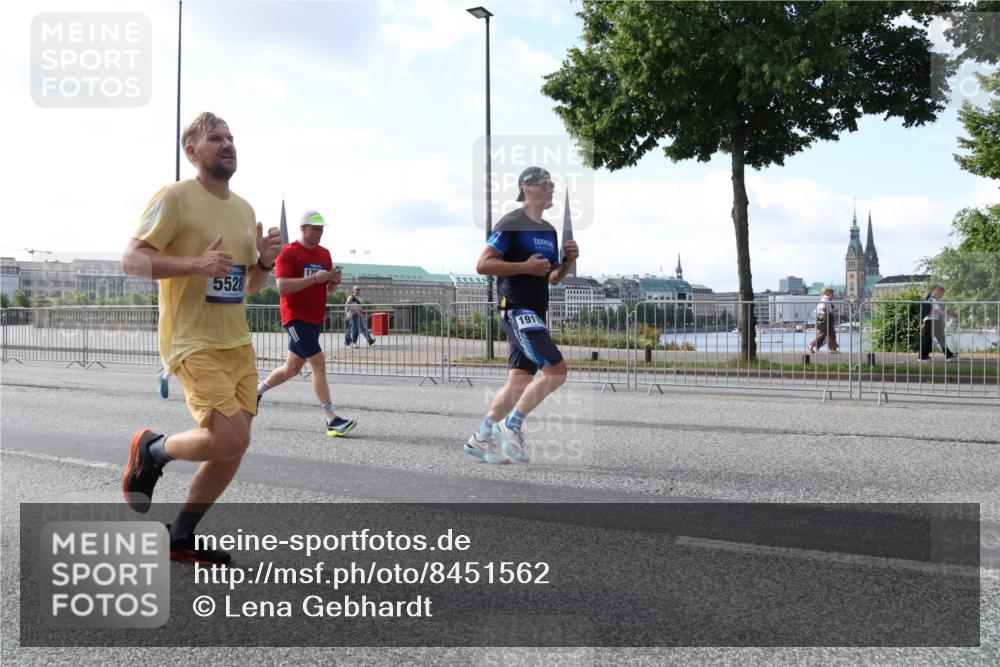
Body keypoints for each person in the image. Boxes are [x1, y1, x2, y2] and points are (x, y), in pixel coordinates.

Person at [121, 112, 282, 565]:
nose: (228, 144)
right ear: (192, 151)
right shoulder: (175, 198)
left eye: (231, 137)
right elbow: (132, 261)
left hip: (237, 342)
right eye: (216, 138)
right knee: (227, 438)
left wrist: (264, 264)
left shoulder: (245, 209)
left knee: (235, 443)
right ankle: (152, 450)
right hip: (192, 340)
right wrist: (194, 265)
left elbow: (248, 286)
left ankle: (180, 536)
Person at [464, 166, 580, 464]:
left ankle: (480, 436)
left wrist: (568, 262)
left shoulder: (548, 230)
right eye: (547, 184)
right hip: (517, 310)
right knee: (557, 371)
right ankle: (511, 425)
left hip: (537, 313)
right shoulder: (512, 222)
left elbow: (552, 277)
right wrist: (523, 267)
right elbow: (482, 265)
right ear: (527, 189)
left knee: (518, 383)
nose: (552, 188)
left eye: (553, 183)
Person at [256, 211, 357, 437]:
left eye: (322, 229)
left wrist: (333, 282)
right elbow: (281, 287)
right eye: (316, 229)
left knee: (292, 369)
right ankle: (332, 420)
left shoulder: (324, 254)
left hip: (314, 318)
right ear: (303, 229)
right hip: (294, 317)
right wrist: (314, 278)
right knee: (318, 363)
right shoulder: (287, 252)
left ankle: (257, 392)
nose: (320, 233)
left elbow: (328, 289)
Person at [919, 285, 957, 361]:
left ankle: (924, 356)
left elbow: (926, 313)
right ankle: (922, 357)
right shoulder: (933, 300)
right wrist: (950, 317)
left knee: (932, 339)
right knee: (930, 339)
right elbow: (938, 311)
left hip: (931, 321)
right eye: (942, 293)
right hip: (932, 321)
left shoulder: (930, 299)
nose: (942, 295)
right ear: (936, 291)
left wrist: (923, 323)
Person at [808, 287, 839, 353]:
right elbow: (824, 308)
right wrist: (832, 312)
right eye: (832, 292)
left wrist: (833, 310)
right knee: (829, 333)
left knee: (825, 333)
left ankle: (831, 348)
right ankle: (832, 349)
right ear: (828, 292)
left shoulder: (826, 298)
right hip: (827, 317)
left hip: (825, 317)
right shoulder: (826, 298)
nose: (833, 294)